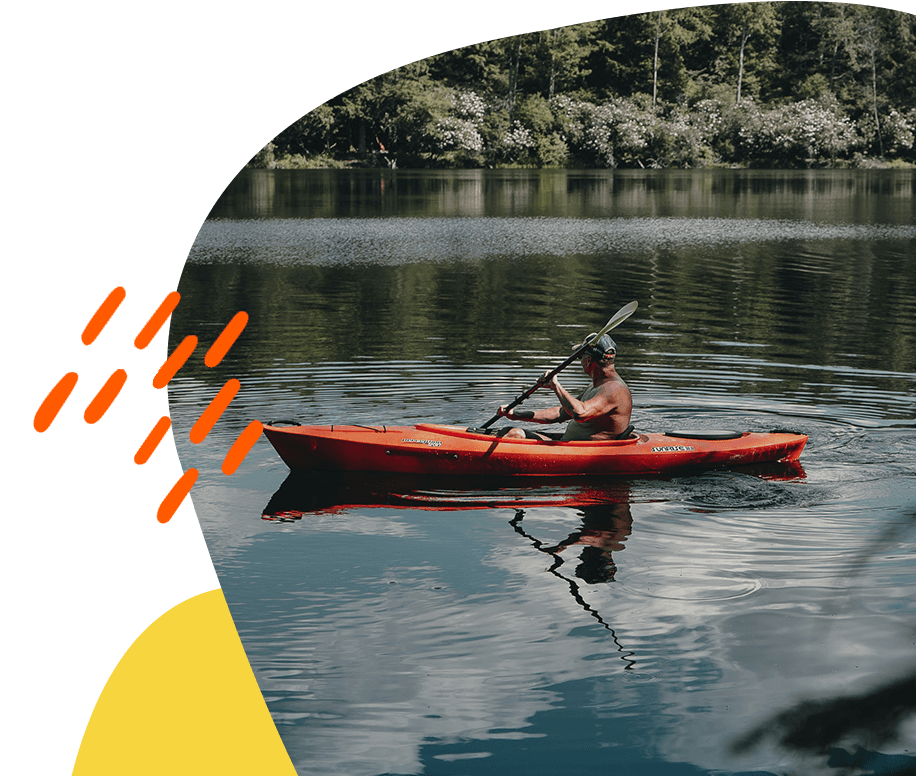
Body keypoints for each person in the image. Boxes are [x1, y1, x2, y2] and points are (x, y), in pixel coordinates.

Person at [496, 333, 632, 441]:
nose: (581, 362)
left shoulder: (614, 390)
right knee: (508, 431)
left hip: (583, 452)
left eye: (581, 357)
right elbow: (561, 413)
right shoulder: (598, 386)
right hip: (568, 443)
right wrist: (516, 415)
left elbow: (580, 413)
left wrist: (556, 385)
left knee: (513, 435)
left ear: (589, 360)